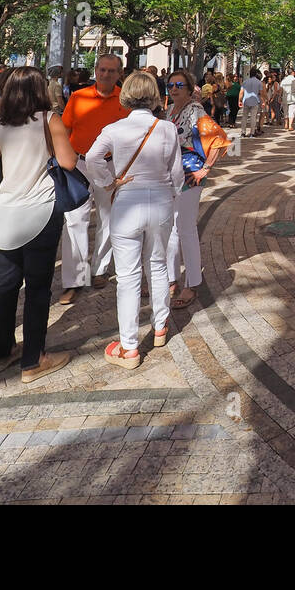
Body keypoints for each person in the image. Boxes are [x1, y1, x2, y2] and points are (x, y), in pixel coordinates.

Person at [0, 66, 72, 383]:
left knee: (5, 286)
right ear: (40, 89)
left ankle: (2, 353)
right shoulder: (49, 120)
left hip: (5, 216)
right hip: (41, 213)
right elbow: (69, 163)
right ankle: (34, 360)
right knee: (38, 289)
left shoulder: (1, 127)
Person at [82, 71, 183, 370]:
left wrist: (109, 181)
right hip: (161, 199)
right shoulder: (166, 128)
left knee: (127, 276)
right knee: (158, 264)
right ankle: (160, 325)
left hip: (128, 200)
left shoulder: (114, 128)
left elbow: (91, 158)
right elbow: (176, 173)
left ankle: (129, 347)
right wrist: (172, 194)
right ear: (154, 95)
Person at [57, 54, 129, 305]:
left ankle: (99, 269)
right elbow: (64, 131)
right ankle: (74, 280)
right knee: (74, 220)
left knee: (108, 219)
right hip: (77, 163)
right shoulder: (78, 97)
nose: (106, 75)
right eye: (102, 70)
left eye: (111, 71)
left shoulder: (125, 100)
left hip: (109, 165)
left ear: (120, 73)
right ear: (95, 71)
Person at [164, 70, 230, 310]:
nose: (173, 89)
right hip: (170, 175)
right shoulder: (170, 110)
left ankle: (192, 283)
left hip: (189, 174)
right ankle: (171, 279)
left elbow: (219, 140)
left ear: (189, 87)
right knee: (171, 229)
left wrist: (205, 169)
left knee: (187, 229)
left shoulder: (195, 111)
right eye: (170, 85)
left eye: (179, 85)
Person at [240, 67, 263, 137]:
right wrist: (263, 101)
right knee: (253, 117)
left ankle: (243, 132)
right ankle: (252, 133)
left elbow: (241, 92)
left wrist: (239, 100)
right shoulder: (259, 82)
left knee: (244, 117)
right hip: (255, 101)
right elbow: (261, 93)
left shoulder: (245, 81)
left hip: (246, 101)